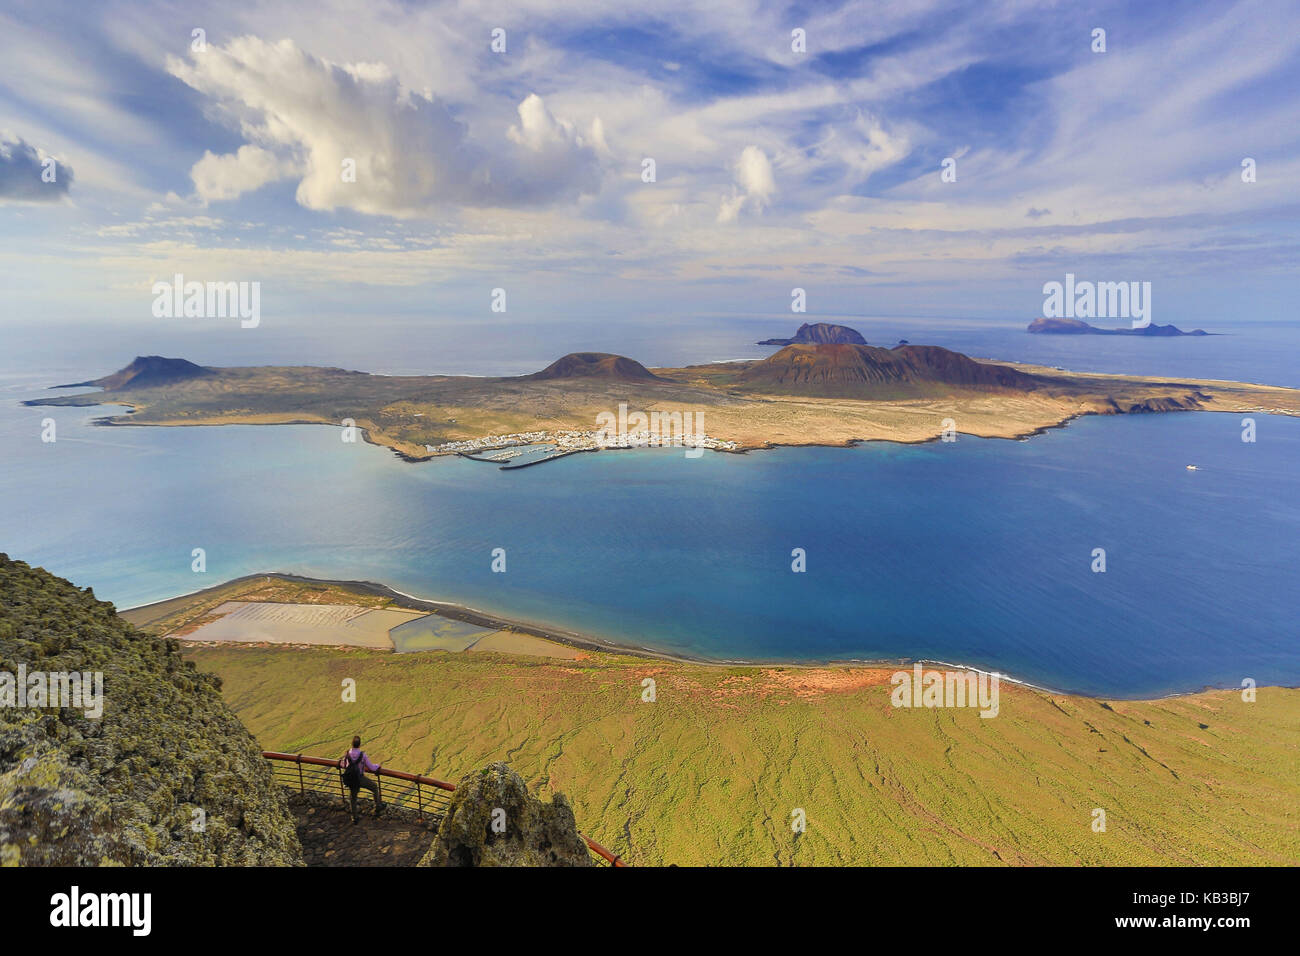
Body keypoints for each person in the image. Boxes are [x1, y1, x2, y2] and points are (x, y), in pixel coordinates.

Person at [339, 735, 384, 823]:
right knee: (374, 787)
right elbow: (371, 767)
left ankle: (354, 818)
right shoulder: (362, 755)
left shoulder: (347, 753)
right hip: (360, 778)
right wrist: (378, 766)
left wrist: (339, 763)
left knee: (353, 798)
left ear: (352, 744)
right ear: (359, 744)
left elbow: (344, 765)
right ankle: (378, 807)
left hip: (352, 779)